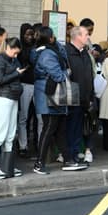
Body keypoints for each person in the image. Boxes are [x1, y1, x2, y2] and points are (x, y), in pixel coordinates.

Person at [32, 26, 84, 174]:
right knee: (49, 129)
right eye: (53, 35)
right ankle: (39, 163)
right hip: (49, 96)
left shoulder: (48, 51)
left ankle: (68, 160)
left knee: (60, 129)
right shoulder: (47, 54)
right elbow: (58, 76)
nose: (55, 38)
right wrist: (67, 71)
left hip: (53, 95)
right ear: (49, 38)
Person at [0, 37, 25, 179]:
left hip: (13, 98)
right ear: (8, 47)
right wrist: (17, 73)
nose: (16, 56)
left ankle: (6, 166)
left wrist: (17, 71)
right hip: (3, 98)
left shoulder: (13, 60)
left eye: (17, 54)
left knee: (10, 134)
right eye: (14, 53)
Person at [65, 26, 95, 164]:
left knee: (79, 128)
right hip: (72, 97)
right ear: (77, 36)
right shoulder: (67, 52)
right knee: (71, 127)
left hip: (85, 97)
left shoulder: (85, 54)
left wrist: (90, 96)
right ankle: (70, 155)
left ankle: (76, 153)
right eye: (85, 35)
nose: (88, 37)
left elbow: (89, 76)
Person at [17, 23, 36, 157]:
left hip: (37, 83)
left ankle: (38, 143)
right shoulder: (20, 49)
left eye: (31, 34)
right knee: (23, 117)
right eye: (27, 34)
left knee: (39, 117)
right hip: (25, 84)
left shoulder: (36, 47)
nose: (29, 37)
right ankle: (22, 145)